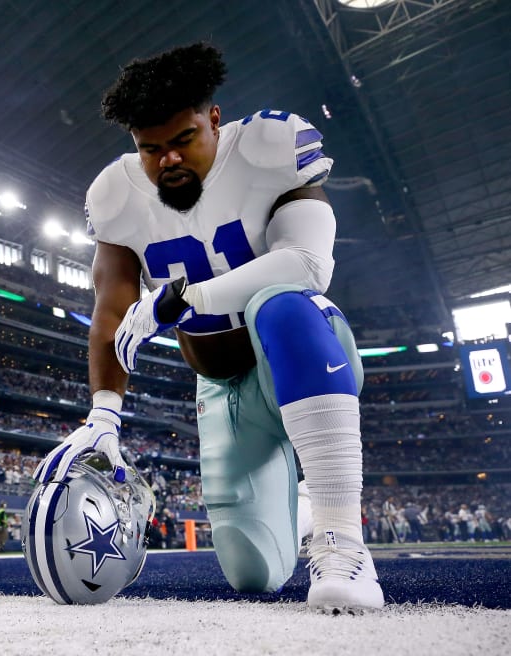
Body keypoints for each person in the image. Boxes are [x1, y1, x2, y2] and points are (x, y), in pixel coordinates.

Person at [35, 43, 382, 612]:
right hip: (221, 387)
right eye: (151, 149)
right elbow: (111, 308)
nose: (168, 160)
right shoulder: (117, 194)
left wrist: (184, 297)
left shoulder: (267, 148)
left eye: (182, 141)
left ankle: (343, 538)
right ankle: (302, 506)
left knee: (281, 303)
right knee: (252, 573)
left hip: (301, 351)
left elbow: (308, 263)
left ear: (214, 119)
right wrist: (103, 412)